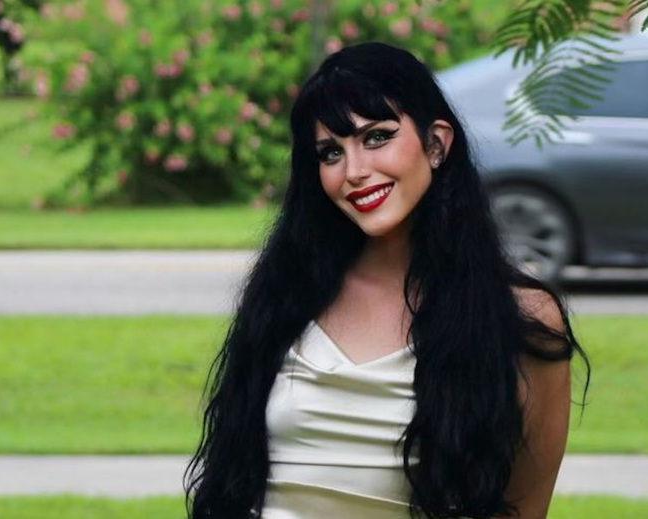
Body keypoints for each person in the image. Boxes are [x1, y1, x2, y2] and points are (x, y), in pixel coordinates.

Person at [184, 41, 589, 519]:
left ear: (436, 143)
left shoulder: (521, 318)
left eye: (376, 137)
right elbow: (232, 476)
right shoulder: (285, 294)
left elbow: (523, 509)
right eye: (331, 152)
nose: (354, 172)